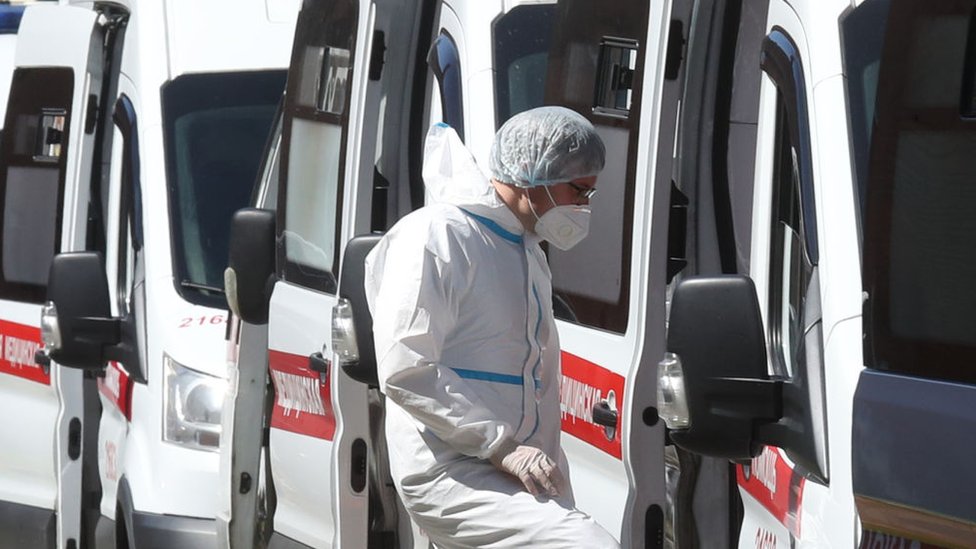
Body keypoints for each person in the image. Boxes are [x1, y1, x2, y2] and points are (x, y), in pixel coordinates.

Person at [365, 106, 618, 548]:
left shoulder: (525, 248)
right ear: (531, 174)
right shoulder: (438, 236)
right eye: (579, 190)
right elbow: (406, 366)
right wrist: (502, 447)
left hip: (515, 466)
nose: (583, 207)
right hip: (452, 469)